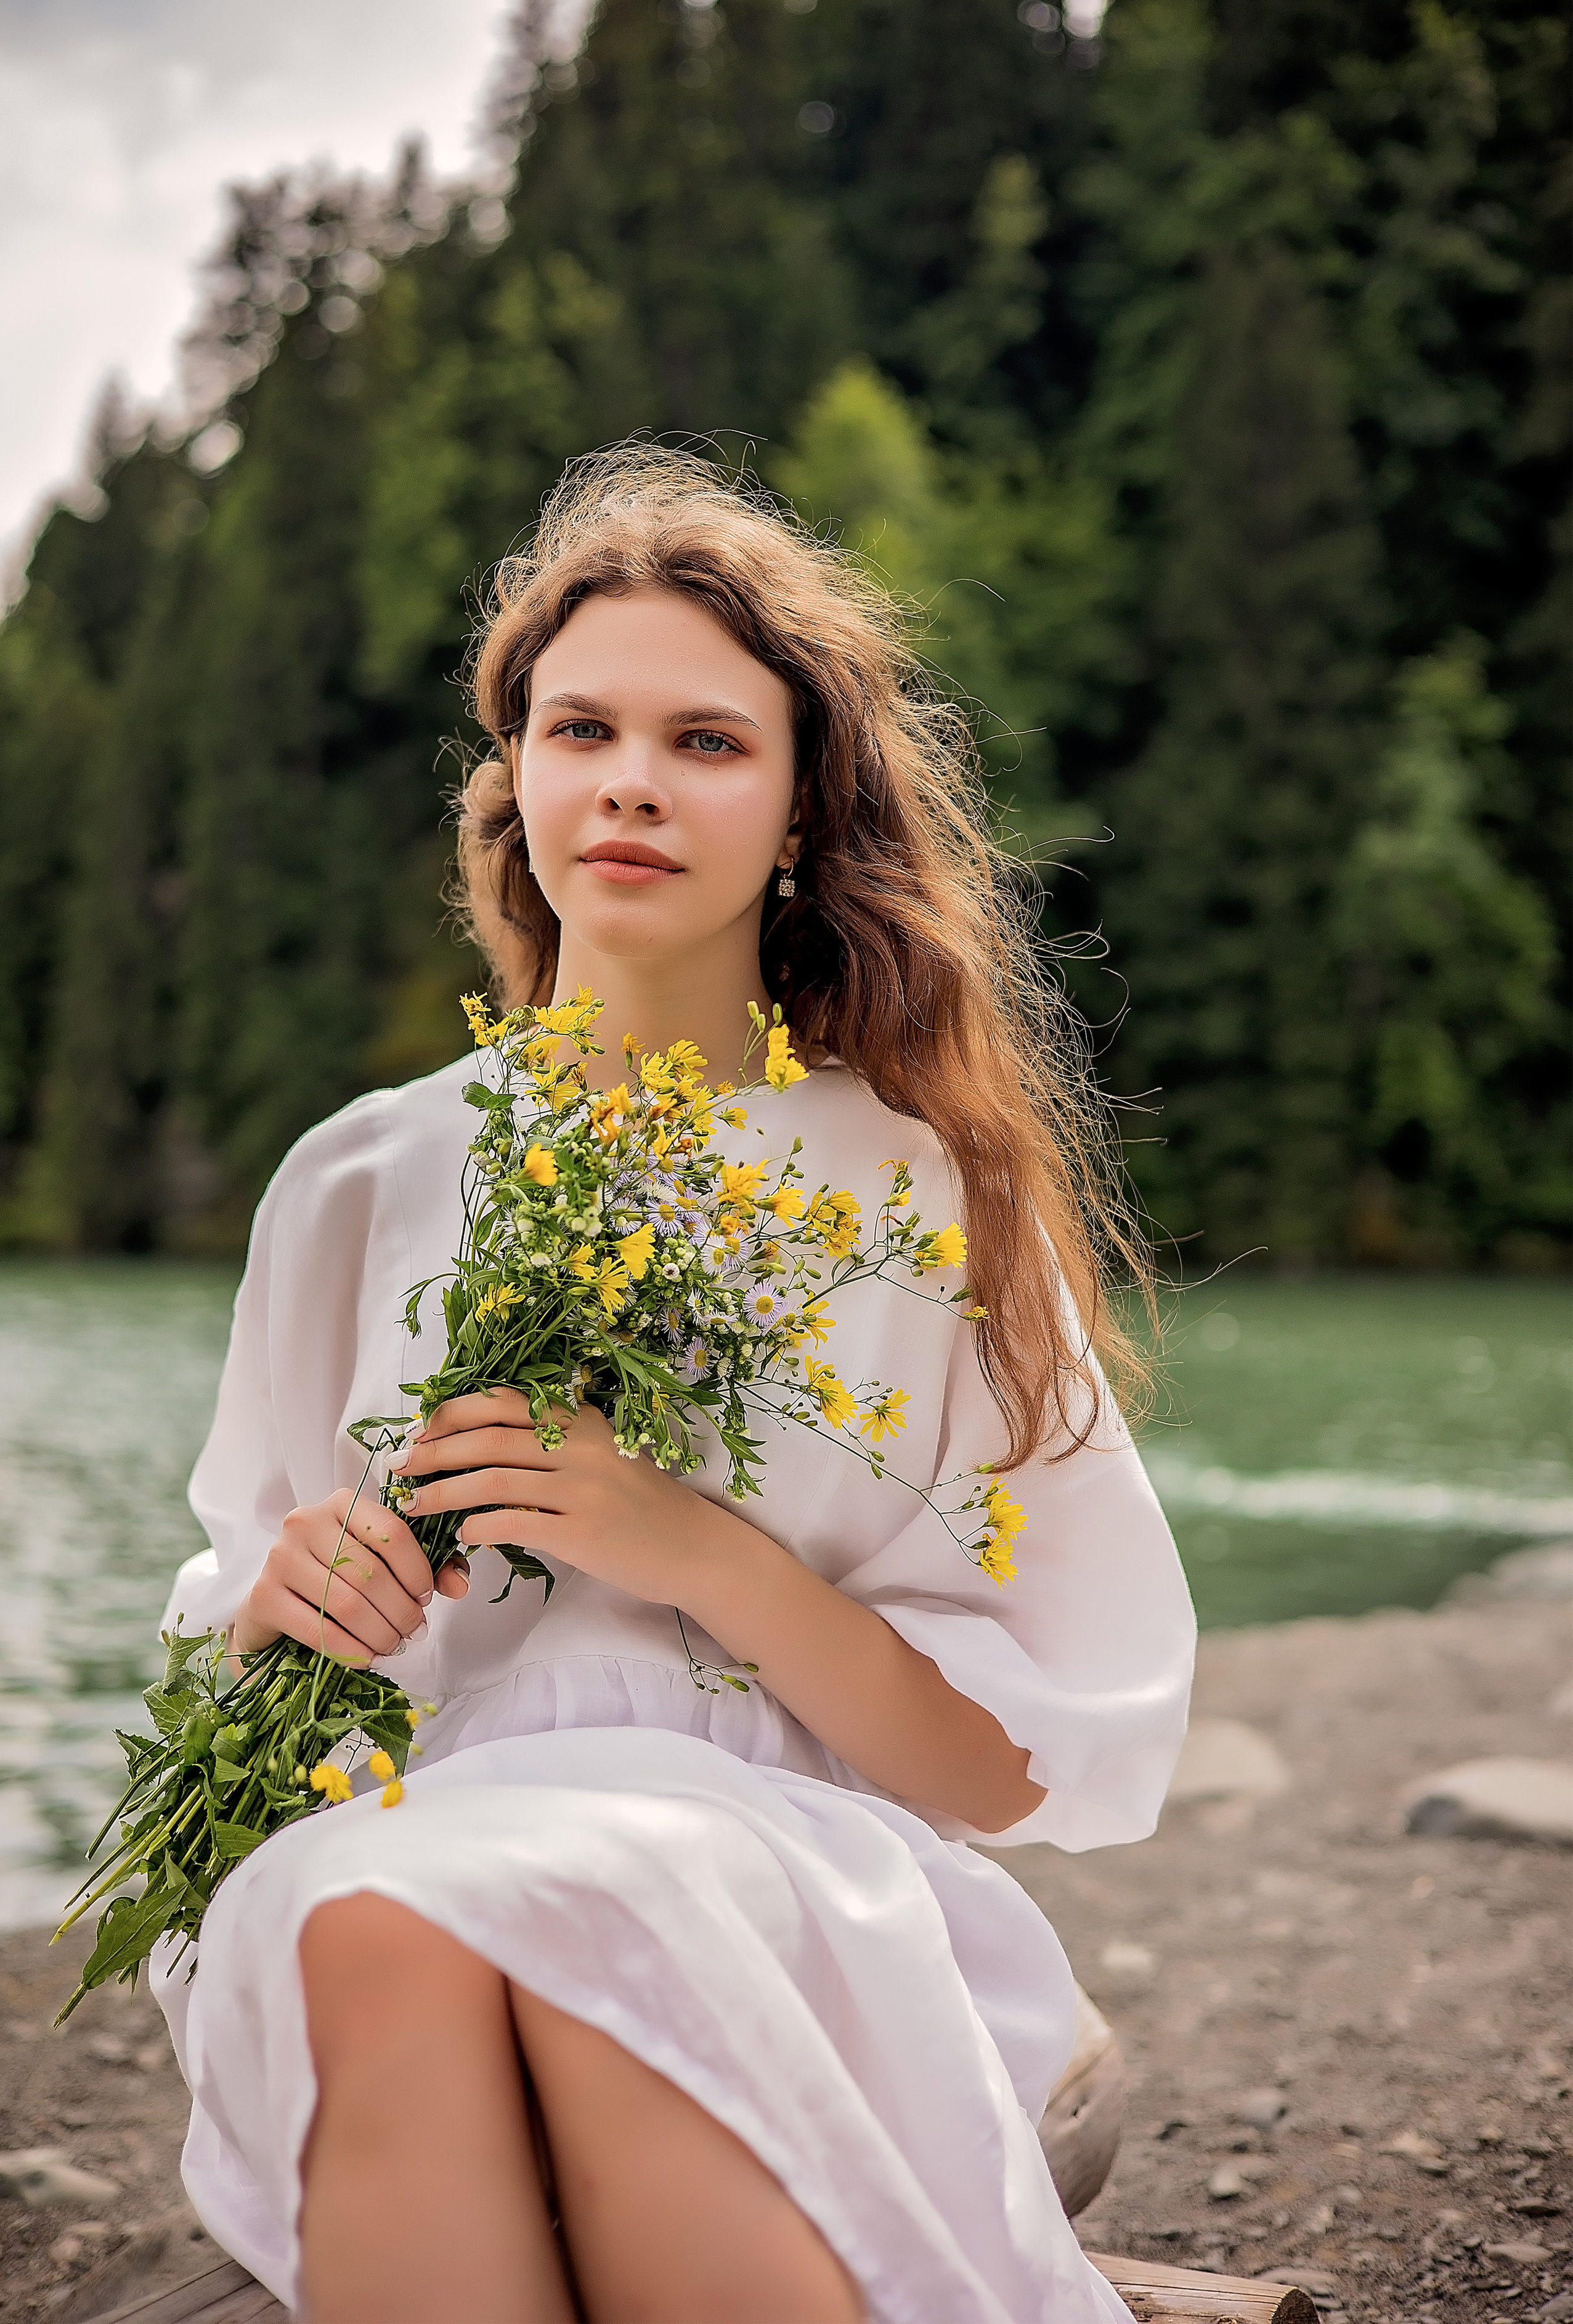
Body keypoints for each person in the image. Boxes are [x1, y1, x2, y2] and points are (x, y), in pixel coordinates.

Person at [151, 445, 1195, 2324]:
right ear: (520, 782)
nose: (629, 779)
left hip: (778, 1860)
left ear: (803, 813)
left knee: (560, 1916)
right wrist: (286, 1617)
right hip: (403, 1842)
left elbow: (1019, 1763)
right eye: (581, 729)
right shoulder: (362, 1178)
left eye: (707, 741)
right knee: (366, 1915)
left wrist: (697, 1552)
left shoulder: (918, 1193)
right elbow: (255, 1689)